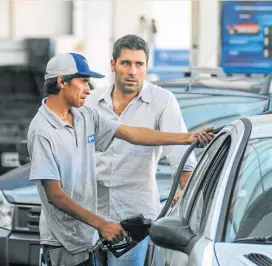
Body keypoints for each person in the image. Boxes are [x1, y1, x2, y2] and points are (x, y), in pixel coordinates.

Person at [27, 52, 214, 266]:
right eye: (83, 81)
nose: (88, 89)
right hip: (63, 242)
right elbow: (55, 196)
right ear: (61, 82)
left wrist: (187, 137)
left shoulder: (84, 116)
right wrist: (102, 224)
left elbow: (132, 134)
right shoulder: (42, 131)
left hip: (88, 236)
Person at [86, 34, 198, 266]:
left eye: (139, 64)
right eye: (126, 63)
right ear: (113, 65)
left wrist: (185, 186)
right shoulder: (92, 101)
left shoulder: (162, 101)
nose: (132, 71)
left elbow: (178, 152)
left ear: (146, 67)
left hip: (133, 217)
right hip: (91, 213)